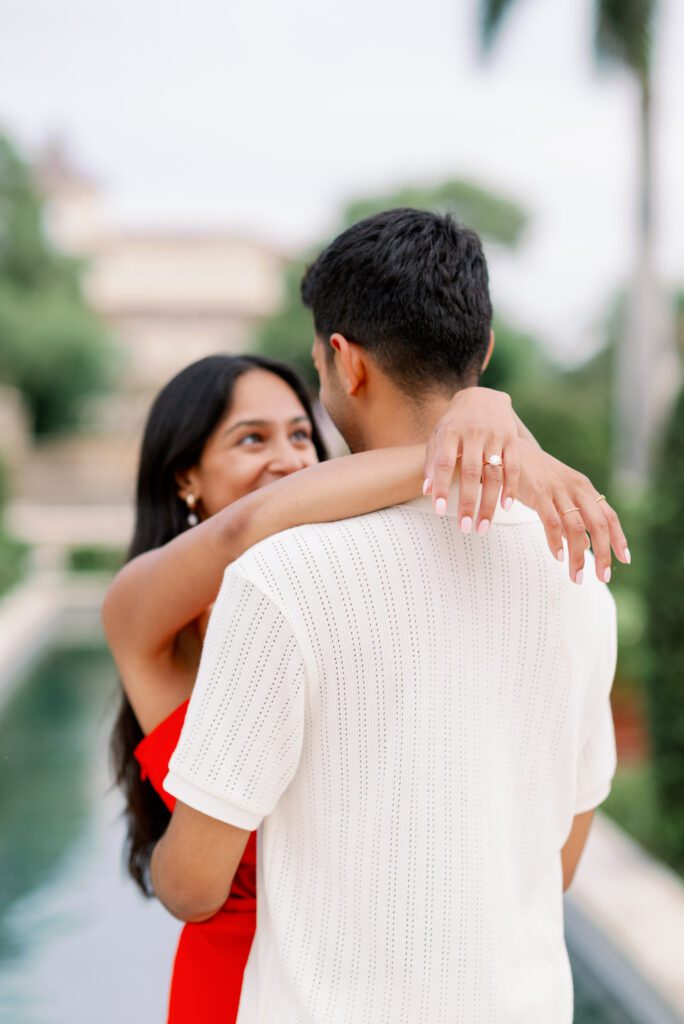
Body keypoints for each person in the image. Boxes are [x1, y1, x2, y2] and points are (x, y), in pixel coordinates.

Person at [146, 209, 624, 1023]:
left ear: (346, 362)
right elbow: (561, 862)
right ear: (486, 351)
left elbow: (193, 888)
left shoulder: (281, 579)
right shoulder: (577, 575)